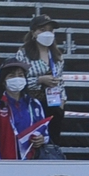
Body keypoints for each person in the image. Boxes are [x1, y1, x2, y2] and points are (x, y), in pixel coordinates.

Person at [0, 58, 52, 160]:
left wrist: (41, 139)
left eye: (20, 75)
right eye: (11, 75)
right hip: (5, 163)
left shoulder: (35, 104)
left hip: (32, 162)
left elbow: (44, 133)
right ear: (3, 81)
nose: (17, 78)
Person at [17, 15, 68, 147]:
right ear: (34, 32)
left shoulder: (57, 56)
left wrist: (62, 103)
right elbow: (18, 80)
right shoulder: (23, 53)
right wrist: (39, 80)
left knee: (52, 143)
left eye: (50, 30)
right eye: (42, 29)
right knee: (33, 141)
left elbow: (61, 81)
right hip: (31, 104)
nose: (47, 33)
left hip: (53, 104)